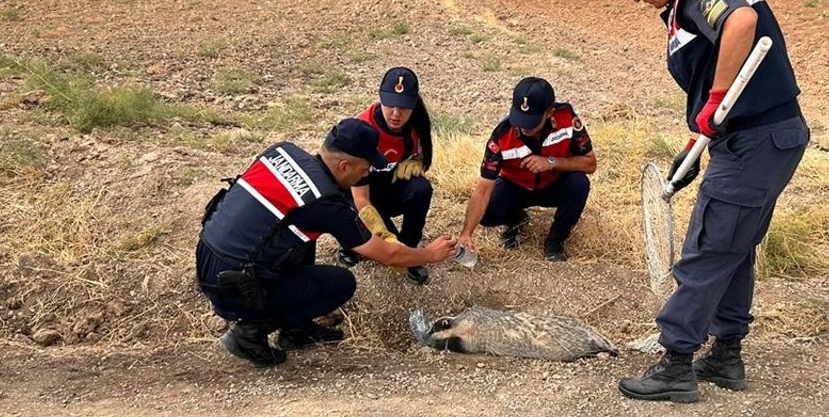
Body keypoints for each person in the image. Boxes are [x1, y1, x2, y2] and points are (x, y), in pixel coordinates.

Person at [607, 0, 810, 403]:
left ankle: (676, 362)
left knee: (708, 246)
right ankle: (726, 354)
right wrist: (698, 136)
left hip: (756, 140)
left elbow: (740, 24)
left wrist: (717, 102)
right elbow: (716, 77)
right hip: (760, 137)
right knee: (733, 247)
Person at [196, 118, 457, 368]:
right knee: (340, 284)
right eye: (364, 169)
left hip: (210, 260)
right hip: (237, 290)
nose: (366, 174)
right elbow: (387, 255)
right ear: (344, 166)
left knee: (301, 231)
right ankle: (249, 333)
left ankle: (296, 329)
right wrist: (430, 254)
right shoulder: (327, 203)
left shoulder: (281, 151)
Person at [457, 77, 596, 262]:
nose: (524, 127)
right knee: (488, 211)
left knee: (579, 183)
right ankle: (517, 220)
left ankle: (556, 239)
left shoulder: (567, 118)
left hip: (553, 184)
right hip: (516, 187)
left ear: (549, 112)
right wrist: (466, 233)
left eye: (531, 121)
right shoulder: (500, 137)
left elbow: (590, 163)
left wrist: (551, 162)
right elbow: (482, 190)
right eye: (520, 119)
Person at [337, 67, 436, 285]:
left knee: (421, 188)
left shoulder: (415, 127)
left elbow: (422, 159)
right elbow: (360, 197)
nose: (395, 114)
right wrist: (383, 236)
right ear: (380, 98)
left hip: (387, 189)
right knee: (378, 238)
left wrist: (417, 161)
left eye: (404, 107)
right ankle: (355, 244)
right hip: (358, 194)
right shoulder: (362, 130)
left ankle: (409, 250)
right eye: (390, 104)